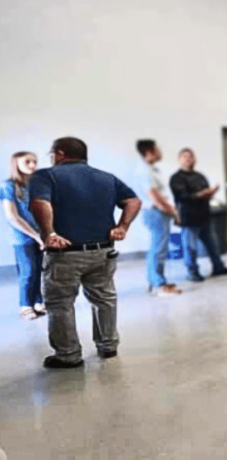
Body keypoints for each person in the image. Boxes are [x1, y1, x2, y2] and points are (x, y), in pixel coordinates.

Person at [28, 137, 141, 368]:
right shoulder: (106, 177)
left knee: (60, 303)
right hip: (103, 252)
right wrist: (123, 227)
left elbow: (40, 203)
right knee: (104, 299)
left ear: (59, 154)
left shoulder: (45, 176)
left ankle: (68, 355)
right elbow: (133, 201)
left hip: (65, 253)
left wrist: (49, 233)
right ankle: (108, 346)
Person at [169, 148, 227, 282]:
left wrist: (211, 192)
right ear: (179, 160)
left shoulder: (200, 176)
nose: (188, 159)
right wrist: (204, 193)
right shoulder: (176, 178)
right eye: (185, 157)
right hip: (188, 218)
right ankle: (192, 272)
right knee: (190, 248)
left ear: (194, 159)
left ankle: (218, 267)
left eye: (191, 157)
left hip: (205, 216)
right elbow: (183, 197)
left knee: (214, 245)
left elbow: (205, 194)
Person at [134, 139, 181, 297]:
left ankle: (154, 281)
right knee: (158, 250)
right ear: (150, 151)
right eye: (158, 149)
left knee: (156, 248)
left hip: (157, 212)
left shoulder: (150, 169)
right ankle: (158, 285)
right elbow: (154, 195)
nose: (161, 152)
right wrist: (172, 211)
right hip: (156, 212)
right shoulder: (145, 170)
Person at [2, 152, 45, 320]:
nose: (33, 165)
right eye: (27, 162)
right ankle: (25, 305)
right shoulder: (8, 186)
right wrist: (35, 235)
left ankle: (37, 301)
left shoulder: (33, 186)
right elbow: (12, 216)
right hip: (22, 238)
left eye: (34, 161)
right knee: (27, 271)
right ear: (16, 164)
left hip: (38, 235)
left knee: (37, 270)